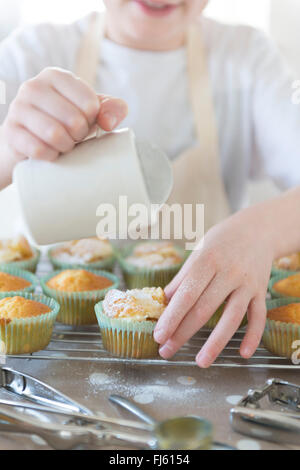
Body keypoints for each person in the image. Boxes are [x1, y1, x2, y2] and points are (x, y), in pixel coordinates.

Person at [0, 0, 299, 367]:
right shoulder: (33, 52)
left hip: (205, 343)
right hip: (50, 356)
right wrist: (8, 150)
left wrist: (261, 232)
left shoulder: (245, 57)